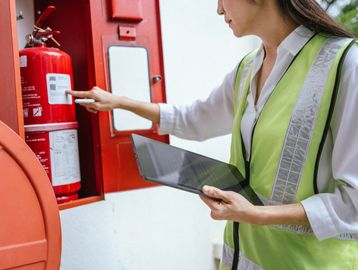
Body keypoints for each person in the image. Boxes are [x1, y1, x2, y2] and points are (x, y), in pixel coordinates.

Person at [67, 0, 358, 269]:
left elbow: (354, 204)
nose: (219, 10)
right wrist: (120, 102)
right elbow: (194, 120)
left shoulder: (346, 64)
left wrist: (257, 215)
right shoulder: (248, 68)